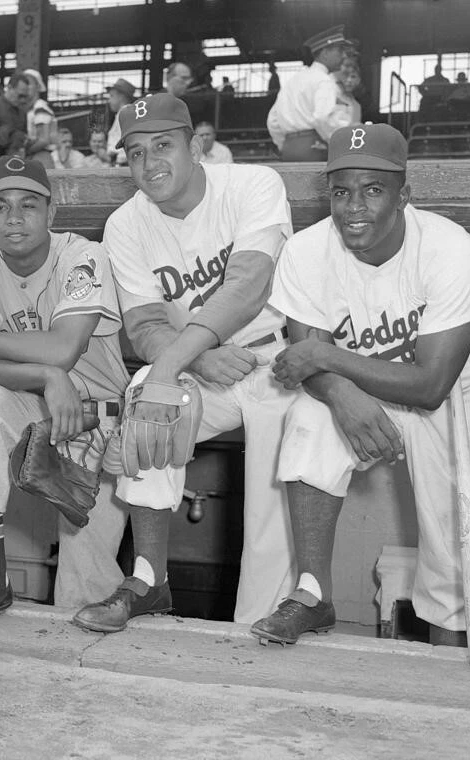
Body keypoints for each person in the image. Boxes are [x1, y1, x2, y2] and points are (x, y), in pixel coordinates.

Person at [251, 124, 470, 648]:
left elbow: (431, 384)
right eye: (341, 191)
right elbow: (306, 367)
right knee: (309, 420)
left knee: (452, 547)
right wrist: (342, 394)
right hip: (364, 385)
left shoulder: (448, 249)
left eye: (373, 190)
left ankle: (446, 673)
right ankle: (312, 595)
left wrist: (326, 357)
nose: (354, 207)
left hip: (459, 397)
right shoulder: (307, 250)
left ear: (404, 195)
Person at [70, 93, 297, 634]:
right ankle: (149, 579)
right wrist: (191, 362)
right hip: (203, 366)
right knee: (147, 398)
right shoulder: (126, 223)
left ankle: (259, 625)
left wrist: (176, 363)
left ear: (196, 145)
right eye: (136, 153)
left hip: (275, 356)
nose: (151, 164)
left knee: (271, 496)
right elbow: (145, 326)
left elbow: (248, 286)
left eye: (164, 146)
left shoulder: (251, 184)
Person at [0, 155, 130, 624]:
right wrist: (44, 377)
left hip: (98, 420)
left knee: (85, 592)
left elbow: (62, 349)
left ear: (51, 213)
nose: (14, 218)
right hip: (30, 403)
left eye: (28, 205)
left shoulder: (82, 255)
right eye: (0, 206)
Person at [266, 25, 355, 161]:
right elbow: (322, 117)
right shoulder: (324, 80)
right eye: (339, 50)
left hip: (289, 149)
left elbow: (272, 120)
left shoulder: (294, 79)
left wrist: (284, 145)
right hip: (316, 148)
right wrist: (337, 145)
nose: (343, 56)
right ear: (325, 52)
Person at [23, 69, 58, 168]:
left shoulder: (40, 107)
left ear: (38, 86)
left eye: (28, 83)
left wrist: (25, 151)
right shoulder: (33, 108)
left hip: (41, 156)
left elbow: (43, 140)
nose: (25, 87)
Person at [105, 78, 136, 166]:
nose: (109, 100)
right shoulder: (123, 113)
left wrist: (119, 160)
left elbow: (129, 141)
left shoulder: (126, 112)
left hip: (122, 164)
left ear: (121, 97)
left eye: (112, 96)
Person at [330, 59, 362, 127]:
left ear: (358, 80)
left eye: (353, 76)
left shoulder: (356, 105)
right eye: (345, 75)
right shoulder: (330, 95)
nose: (349, 80)